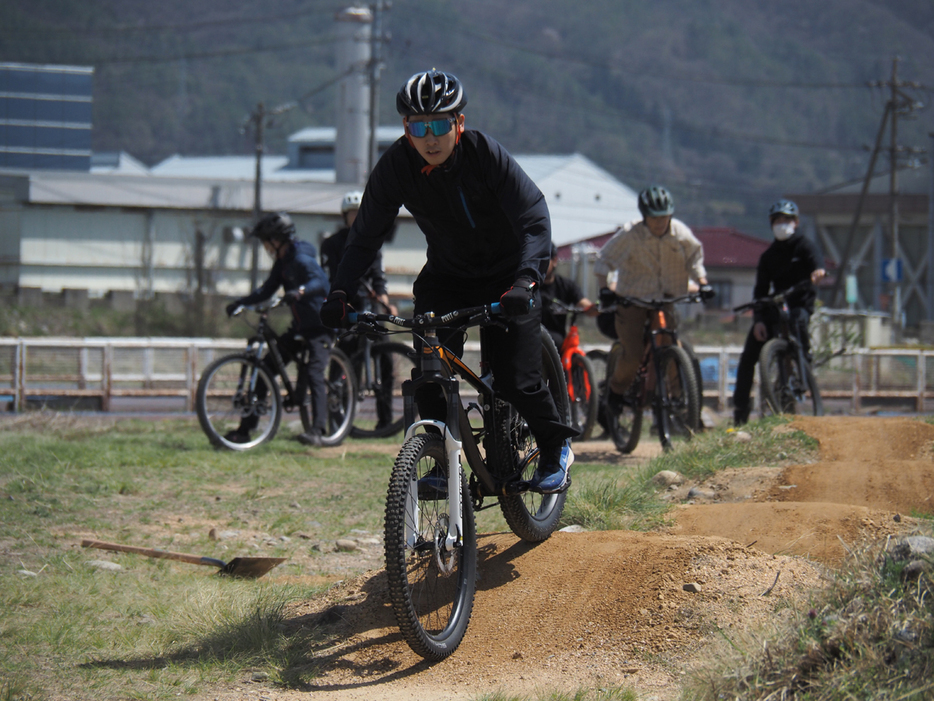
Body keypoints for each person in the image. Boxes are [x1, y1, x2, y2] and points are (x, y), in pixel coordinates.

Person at [319, 69, 576, 493]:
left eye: (441, 124)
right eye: (419, 127)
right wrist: (340, 292)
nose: (430, 137)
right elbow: (364, 237)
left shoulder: (484, 154)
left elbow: (533, 218)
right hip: (447, 277)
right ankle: (440, 461)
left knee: (517, 379)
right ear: (406, 129)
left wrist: (526, 280)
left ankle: (554, 447)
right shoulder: (396, 167)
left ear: (459, 123)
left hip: (510, 277)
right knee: (430, 375)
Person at [593, 185, 712, 407]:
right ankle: (615, 395)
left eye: (664, 217)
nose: (659, 223)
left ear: (671, 215)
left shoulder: (681, 234)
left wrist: (703, 283)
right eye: (653, 218)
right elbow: (603, 261)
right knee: (634, 354)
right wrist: (605, 289)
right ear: (644, 216)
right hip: (633, 299)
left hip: (665, 298)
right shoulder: (631, 234)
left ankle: (676, 400)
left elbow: (694, 259)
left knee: (670, 343)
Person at [224, 212, 331, 446]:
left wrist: (300, 291)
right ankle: (245, 430)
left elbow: (321, 283)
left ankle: (318, 430)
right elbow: (266, 290)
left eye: (265, 241)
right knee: (264, 369)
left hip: (320, 327)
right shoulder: (282, 264)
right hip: (298, 327)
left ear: (277, 239)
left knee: (314, 373)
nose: (265, 246)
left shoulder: (301, 259)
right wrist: (241, 302)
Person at [731, 199, 826, 426]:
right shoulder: (768, 256)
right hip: (775, 306)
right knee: (747, 358)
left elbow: (817, 262)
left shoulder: (804, 246)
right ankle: (740, 413)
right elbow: (760, 291)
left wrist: (819, 271)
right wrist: (759, 321)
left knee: (798, 320)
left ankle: (804, 361)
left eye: (786, 220)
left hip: (799, 304)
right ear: (771, 224)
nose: (782, 225)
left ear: (795, 222)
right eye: (777, 221)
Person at [321, 191, 399, 431]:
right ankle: (338, 420)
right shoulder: (332, 244)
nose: (356, 217)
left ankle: (385, 421)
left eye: (360, 212)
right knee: (345, 359)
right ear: (345, 216)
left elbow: (379, 277)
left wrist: (385, 299)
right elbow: (333, 276)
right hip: (347, 307)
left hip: (371, 306)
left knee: (385, 359)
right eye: (352, 213)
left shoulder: (373, 241)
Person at [540, 244, 598, 349]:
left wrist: (596, 307)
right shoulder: (531, 287)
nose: (540, 264)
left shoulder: (566, 285)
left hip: (557, 338)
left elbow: (583, 303)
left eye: (544, 259)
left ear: (555, 261)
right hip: (535, 335)